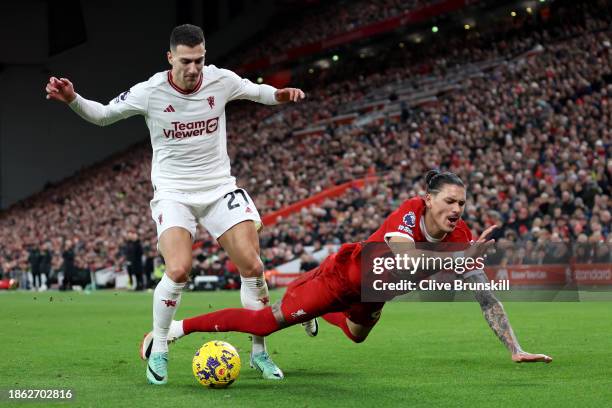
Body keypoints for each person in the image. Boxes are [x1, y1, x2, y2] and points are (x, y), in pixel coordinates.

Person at [45, 24, 306, 384]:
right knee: (179, 268)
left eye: (199, 60)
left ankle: (259, 353)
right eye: (186, 61)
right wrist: (74, 99)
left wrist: (282, 93)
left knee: (252, 264)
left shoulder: (220, 80)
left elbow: (258, 92)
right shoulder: (151, 91)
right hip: (173, 193)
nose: (194, 69)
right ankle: (161, 348)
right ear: (170, 58)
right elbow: (103, 115)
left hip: (218, 189)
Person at [142, 170, 552, 366]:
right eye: (449, 201)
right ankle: (175, 330)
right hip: (345, 278)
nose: (456, 210)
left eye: (461, 204)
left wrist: (515, 349)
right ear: (428, 199)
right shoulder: (409, 214)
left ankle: (317, 316)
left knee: (356, 336)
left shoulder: (462, 238)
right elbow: (406, 257)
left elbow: (485, 295)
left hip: (373, 295)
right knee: (264, 323)